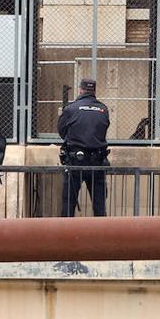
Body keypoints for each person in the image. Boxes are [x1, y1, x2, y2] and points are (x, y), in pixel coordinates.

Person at [57, 76, 110, 217]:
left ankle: (67, 236)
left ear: (80, 90)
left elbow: (61, 131)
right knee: (99, 204)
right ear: (94, 90)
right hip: (98, 161)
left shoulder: (71, 109)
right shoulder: (103, 109)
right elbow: (103, 130)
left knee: (69, 202)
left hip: (75, 161)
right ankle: (102, 235)